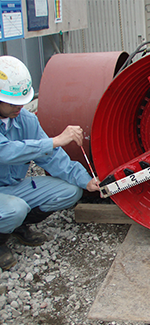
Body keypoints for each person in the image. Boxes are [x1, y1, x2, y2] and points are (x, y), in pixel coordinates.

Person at [0, 55, 100, 271]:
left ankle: (17, 226)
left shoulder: (25, 120)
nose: (20, 107)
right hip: (5, 197)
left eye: (23, 101)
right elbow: (5, 152)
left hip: (12, 188)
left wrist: (86, 181)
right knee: (14, 209)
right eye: (13, 102)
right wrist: (55, 140)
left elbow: (52, 158)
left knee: (70, 190)